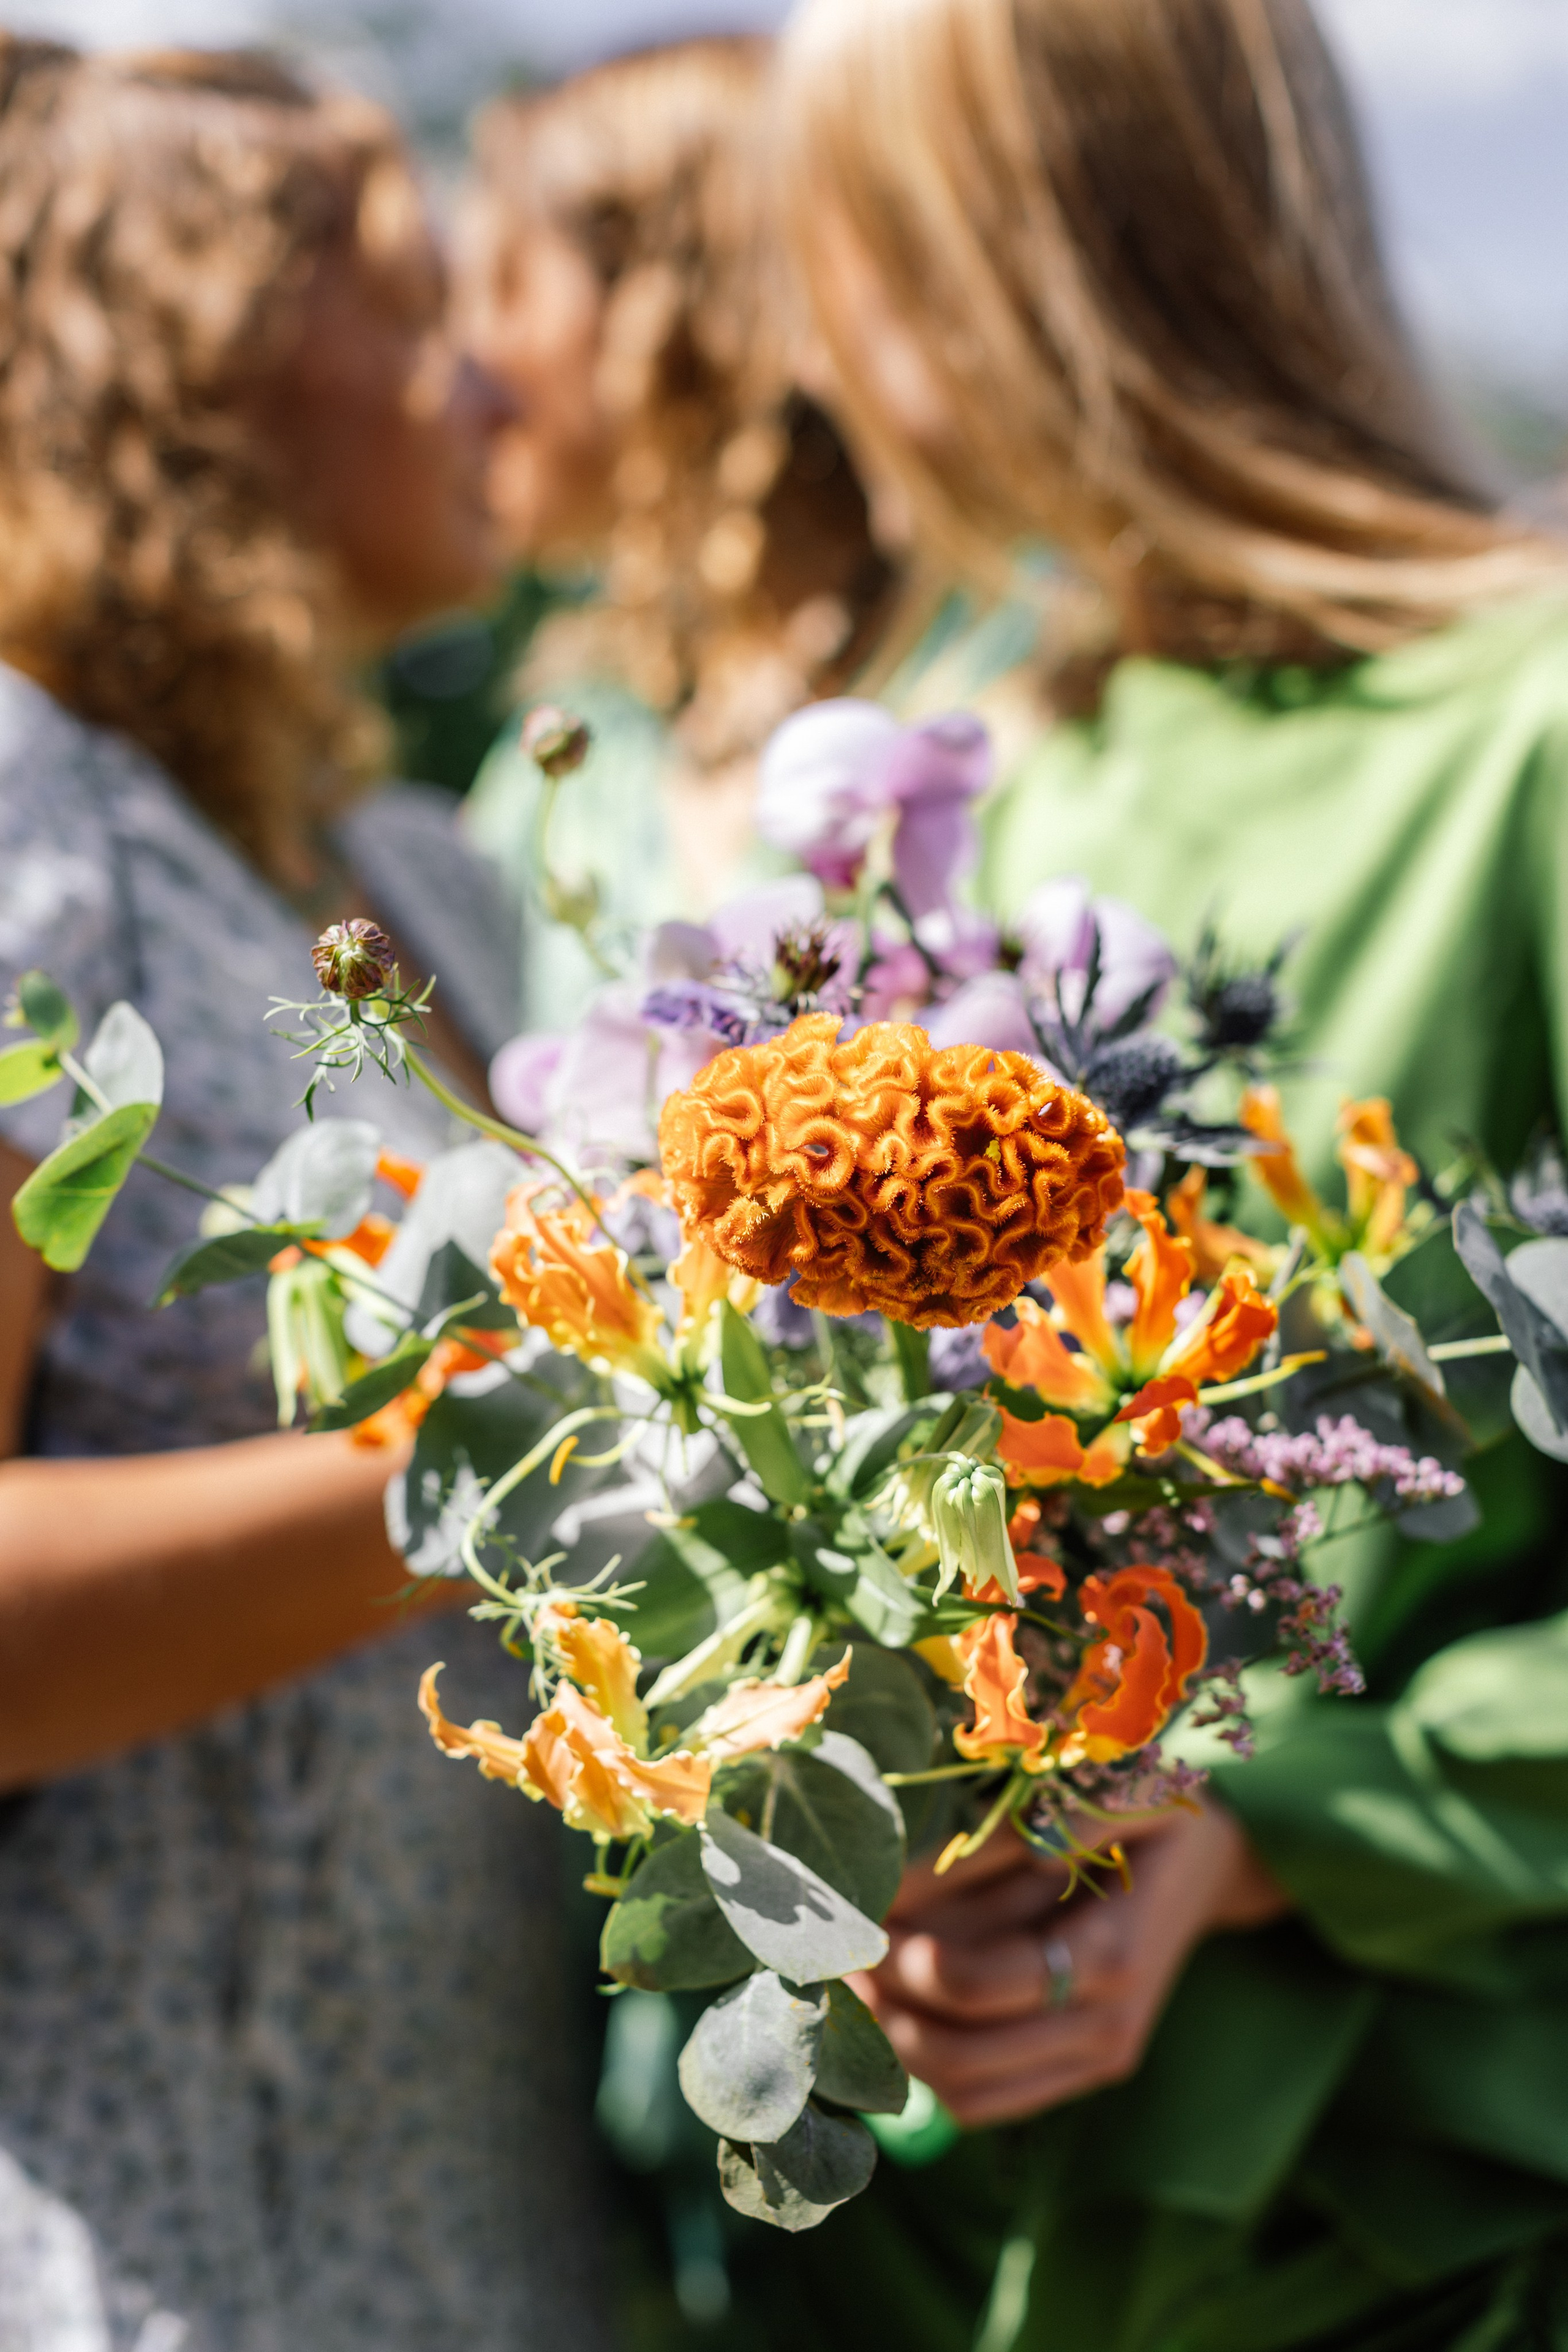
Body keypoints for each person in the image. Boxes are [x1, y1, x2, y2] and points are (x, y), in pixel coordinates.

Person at [766, 2, 1568, 2348]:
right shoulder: (971, 780)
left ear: (1041, 262)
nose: (822, 359)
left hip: (1414, 2223)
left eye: (864, 264)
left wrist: (1269, 1838)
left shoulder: (1521, 736)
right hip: (924, 2244)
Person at [0, 43, 608, 2351]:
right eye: (416, 297)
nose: (484, 380)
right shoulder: (22, 811)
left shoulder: (422, 886)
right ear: (207, 368)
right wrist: (522, 1453)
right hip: (145, 2248)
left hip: (473, 2218)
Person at [455, 36, 899, 1034]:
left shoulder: (975, 675)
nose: (469, 361)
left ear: (662, 302)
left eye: (504, 285)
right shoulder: (567, 771)